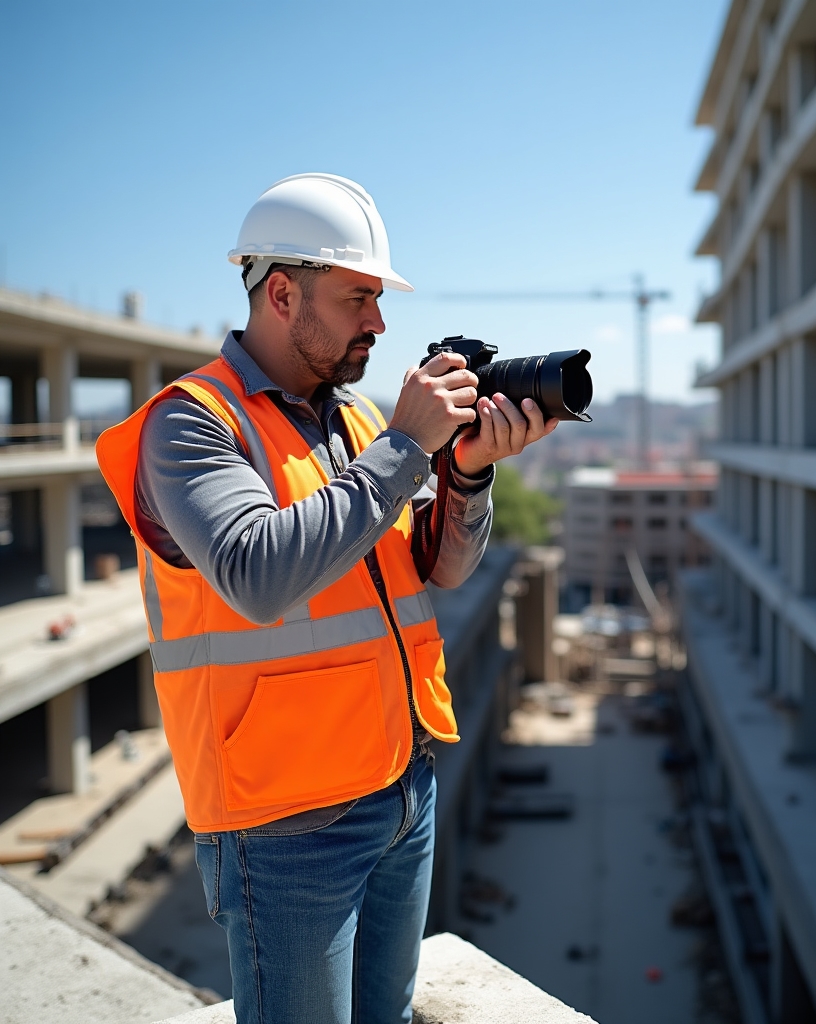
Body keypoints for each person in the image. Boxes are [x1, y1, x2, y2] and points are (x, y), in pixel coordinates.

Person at [97, 173, 557, 1024]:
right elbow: (256, 574)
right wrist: (405, 448)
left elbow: (438, 571)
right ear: (281, 292)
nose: (379, 324)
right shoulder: (192, 423)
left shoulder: (353, 423)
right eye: (358, 299)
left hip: (398, 785)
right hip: (287, 826)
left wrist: (467, 471)